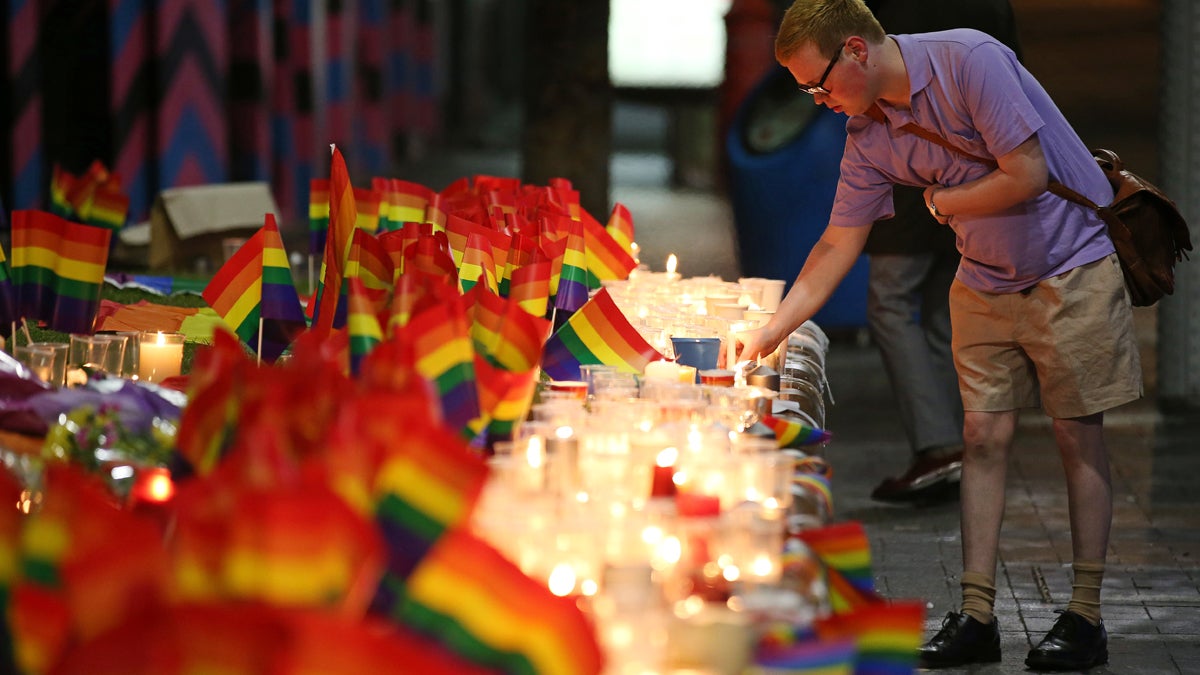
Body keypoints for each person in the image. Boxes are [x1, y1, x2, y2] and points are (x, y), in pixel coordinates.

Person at [735, 0, 1141, 670]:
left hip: (1070, 268)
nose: (819, 102)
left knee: (1077, 432)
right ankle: (978, 612)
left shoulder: (969, 60)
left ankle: (1085, 613)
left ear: (858, 51)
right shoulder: (868, 131)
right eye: (807, 90)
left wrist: (944, 203)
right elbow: (838, 243)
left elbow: (1027, 173)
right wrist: (768, 331)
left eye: (821, 85)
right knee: (980, 435)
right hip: (982, 278)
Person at [858, 0, 1023, 505]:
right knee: (941, 306)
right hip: (982, 163)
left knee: (890, 301)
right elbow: (1014, 71)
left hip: (910, 156)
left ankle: (939, 446)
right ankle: (961, 449)